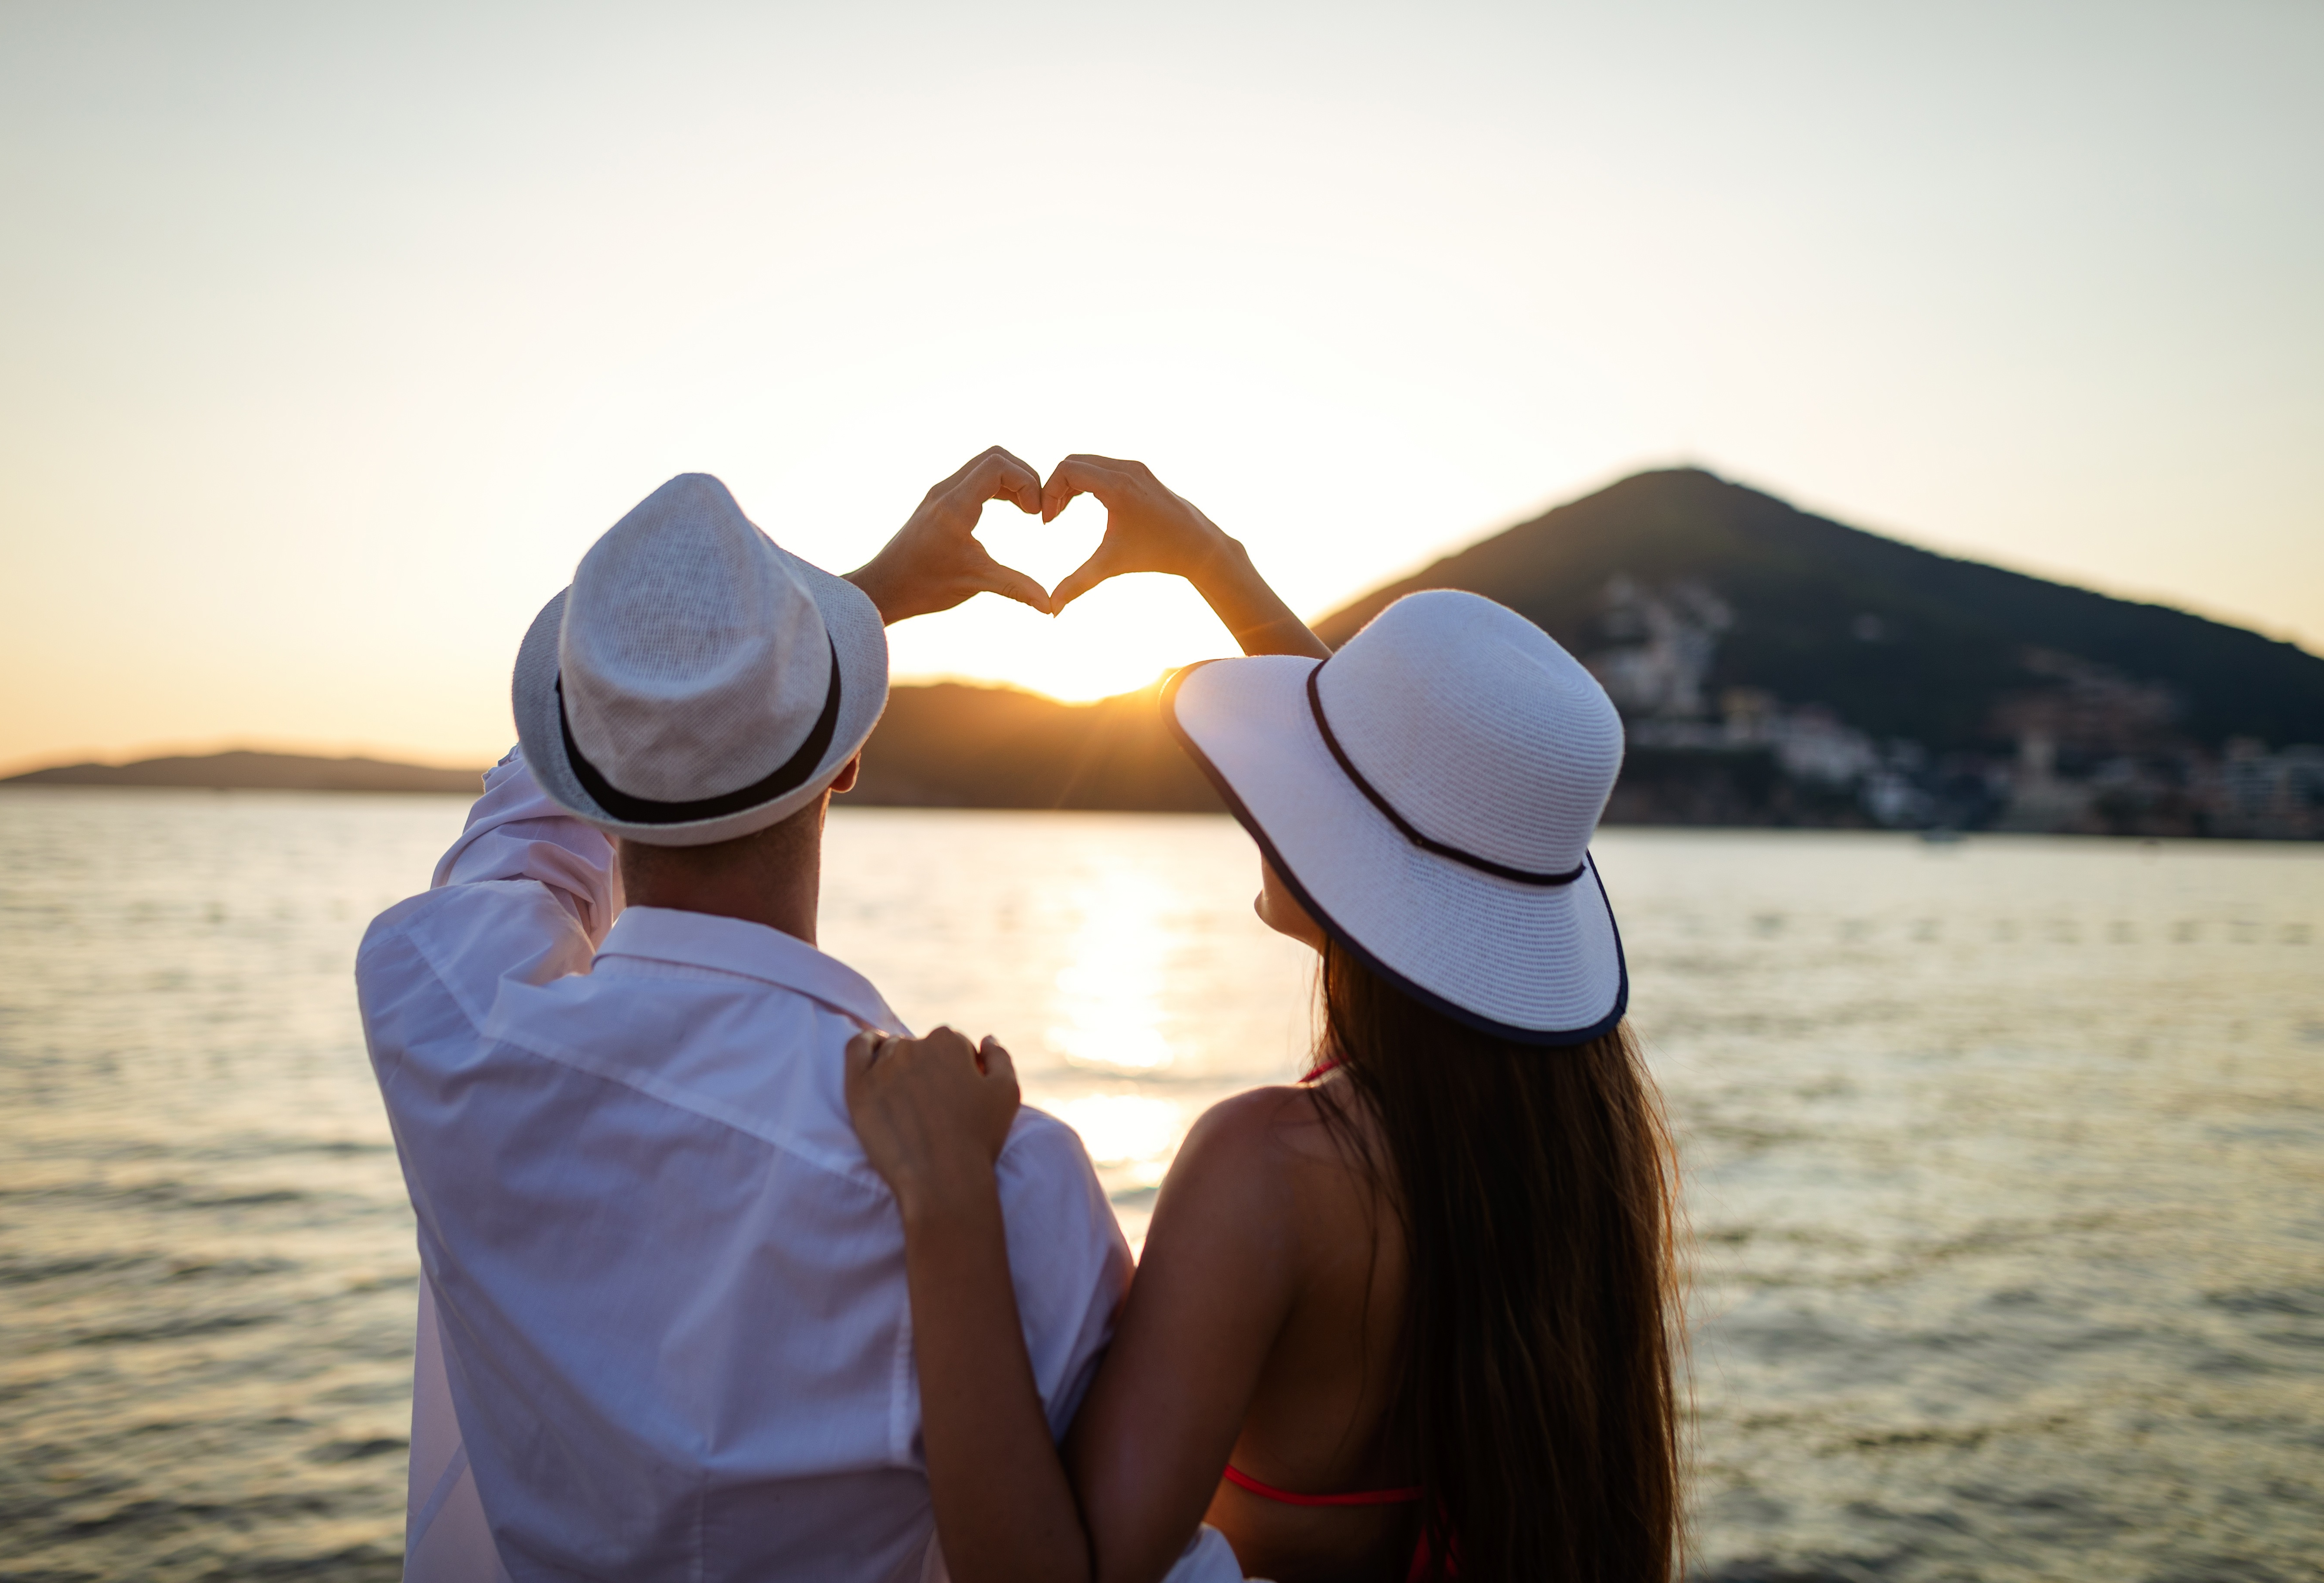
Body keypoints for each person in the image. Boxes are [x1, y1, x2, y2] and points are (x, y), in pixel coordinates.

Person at [358, 451, 1216, 1582]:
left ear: (589, 773)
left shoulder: (441, 1015)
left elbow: (526, 820)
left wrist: (858, 603)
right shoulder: (1008, 1188)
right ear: (850, 760)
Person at [846, 458, 1684, 1583]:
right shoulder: (1574, 1129)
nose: (1270, 801)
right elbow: (1414, 786)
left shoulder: (1275, 1172)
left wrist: (945, 1198)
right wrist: (1207, 559)